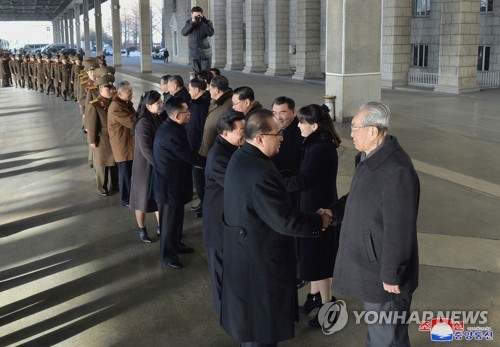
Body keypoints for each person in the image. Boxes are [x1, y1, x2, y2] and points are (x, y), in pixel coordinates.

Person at [221, 109, 331, 347]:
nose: (282, 138)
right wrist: (318, 221)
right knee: (261, 333)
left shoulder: (243, 158)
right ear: (260, 138)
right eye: (277, 134)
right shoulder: (260, 171)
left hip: (244, 254)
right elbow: (285, 220)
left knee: (252, 330)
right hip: (259, 262)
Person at [324, 101, 420, 347]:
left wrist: (392, 274)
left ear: (373, 131)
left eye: (355, 128)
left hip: (384, 275)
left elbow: (399, 229)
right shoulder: (368, 157)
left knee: (387, 337)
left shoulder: (397, 170)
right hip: (371, 269)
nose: (351, 133)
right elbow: (357, 198)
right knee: (379, 334)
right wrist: (333, 212)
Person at [282, 104, 342, 328]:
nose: (298, 126)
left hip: (320, 210)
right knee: (311, 258)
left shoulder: (320, 148)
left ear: (314, 125)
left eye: (302, 122)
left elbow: (303, 181)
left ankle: (328, 307)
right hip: (312, 206)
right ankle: (314, 297)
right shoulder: (315, 143)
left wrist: (275, 181)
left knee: (320, 262)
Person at [152, 97, 206, 269]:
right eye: (186, 112)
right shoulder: (171, 134)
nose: (189, 114)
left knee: (177, 219)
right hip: (168, 187)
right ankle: (167, 254)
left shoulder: (174, 127)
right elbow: (189, 156)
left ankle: (176, 244)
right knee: (169, 222)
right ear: (176, 116)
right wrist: (211, 162)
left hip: (175, 183)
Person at [203, 110, 245, 312]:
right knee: (220, 275)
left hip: (227, 221)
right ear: (225, 133)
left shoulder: (231, 148)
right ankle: (225, 316)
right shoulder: (219, 156)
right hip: (218, 224)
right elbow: (238, 186)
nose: (245, 133)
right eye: (241, 130)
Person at [271, 96, 305, 289]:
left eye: (282, 112)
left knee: (295, 233)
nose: (278, 117)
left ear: (293, 112)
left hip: (294, 191)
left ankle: (299, 271)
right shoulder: (275, 130)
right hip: (280, 189)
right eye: (275, 113)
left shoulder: (299, 134)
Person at [129, 90, 164, 243]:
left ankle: (161, 227)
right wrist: (160, 165)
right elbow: (146, 150)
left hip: (155, 166)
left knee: (157, 199)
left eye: (161, 102)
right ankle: (141, 228)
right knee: (141, 201)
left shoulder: (155, 118)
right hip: (144, 168)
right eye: (158, 103)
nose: (161, 105)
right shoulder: (143, 123)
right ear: (148, 106)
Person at [86, 74, 118, 196]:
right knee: (102, 164)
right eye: (107, 89)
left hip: (114, 138)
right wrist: (92, 140)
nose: (111, 91)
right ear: (100, 90)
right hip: (102, 139)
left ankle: (114, 184)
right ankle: (102, 187)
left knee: (114, 162)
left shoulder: (113, 102)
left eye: (112, 88)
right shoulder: (94, 104)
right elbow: (91, 124)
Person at [108, 80, 135, 207]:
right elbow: (131, 121)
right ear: (120, 93)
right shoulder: (116, 107)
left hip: (128, 143)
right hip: (122, 145)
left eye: (131, 91)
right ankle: (126, 199)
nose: (131, 94)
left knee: (129, 172)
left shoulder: (125, 102)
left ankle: (131, 195)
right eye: (128, 92)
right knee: (125, 173)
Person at [187, 78, 211, 217]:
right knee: (199, 180)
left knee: (201, 181)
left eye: (190, 89)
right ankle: (203, 203)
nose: (189, 91)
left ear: (197, 90)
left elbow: (202, 129)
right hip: (194, 148)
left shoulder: (203, 105)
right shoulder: (196, 103)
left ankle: (205, 206)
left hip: (199, 150)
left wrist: (198, 149)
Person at [198, 75, 233, 158]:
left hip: (216, 150)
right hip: (207, 147)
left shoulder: (229, 105)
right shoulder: (214, 100)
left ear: (216, 90)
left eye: (210, 88)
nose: (209, 90)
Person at [181, 6, 214, 74]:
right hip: (194, 53)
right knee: (196, 73)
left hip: (205, 53)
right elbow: (184, 33)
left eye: (198, 15)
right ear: (192, 15)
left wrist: (202, 23)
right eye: (195, 16)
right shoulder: (189, 22)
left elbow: (210, 33)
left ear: (202, 14)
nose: (197, 17)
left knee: (206, 73)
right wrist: (192, 24)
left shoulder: (207, 22)